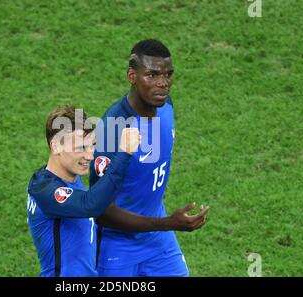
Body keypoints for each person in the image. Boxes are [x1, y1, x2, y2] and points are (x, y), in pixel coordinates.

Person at [27, 106, 207, 277]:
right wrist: (124, 154)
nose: (90, 156)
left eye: (92, 146)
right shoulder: (43, 189)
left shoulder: (69, 178)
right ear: (56, 146)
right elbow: (89, 205)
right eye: (81, 148)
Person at [89, 39, 209, 277]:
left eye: (168, 75)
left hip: (159, 242)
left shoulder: (165, 106)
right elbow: (100, 210)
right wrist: (168, 224)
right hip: (117, 249)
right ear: (132, 76)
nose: (163, 84)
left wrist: (164, 226)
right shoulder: (114, 129)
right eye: (152, 75)